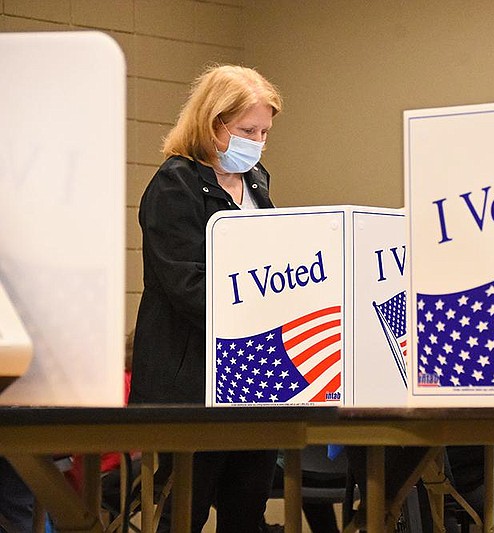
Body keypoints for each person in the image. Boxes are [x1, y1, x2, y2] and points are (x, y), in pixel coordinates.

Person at [129, 64, 283, 532]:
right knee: (185, 511)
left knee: (247, 508)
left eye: (264, 132)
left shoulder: (257, 182)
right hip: (191, 377)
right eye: (246, 130)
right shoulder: (174, 183)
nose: (256, 142)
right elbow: (184, 284)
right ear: (212, 124)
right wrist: (253, 314)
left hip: (252, 378)